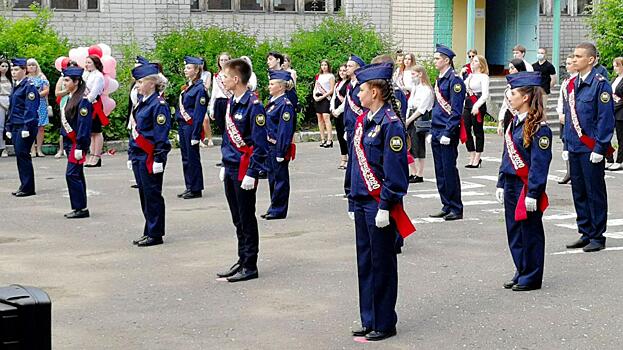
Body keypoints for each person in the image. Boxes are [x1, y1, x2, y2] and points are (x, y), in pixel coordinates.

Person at [349, 62, 415, 341]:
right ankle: (369, 318)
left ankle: (384, 321)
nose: (358, 94)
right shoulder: (365, 120)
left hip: (379, 204)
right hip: (363, 200)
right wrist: (352, 201)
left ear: (375, 92)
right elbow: (355, 163)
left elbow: (396, 173)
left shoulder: (390, 125)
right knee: (365, 262)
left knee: (382, 264)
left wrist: (386, 206)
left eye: (362, 90)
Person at [495, 71, 553, 292]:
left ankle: (532, 275)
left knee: (529, 231)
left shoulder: (540, 128)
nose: (509, 96)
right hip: (511, 182)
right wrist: (501, 182)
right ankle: (521, 269)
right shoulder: (513, 122)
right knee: (514, 230)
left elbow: (540, 164)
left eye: (513, 92)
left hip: (526, 186)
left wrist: (534, 192)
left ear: (526, 97)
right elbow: (506, 155)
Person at [216, 58, 268, 282]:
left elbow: (260, 145)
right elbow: (228, 139)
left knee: (246, 217)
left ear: (236, 79)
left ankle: (250, 264)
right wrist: (224, 163)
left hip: (244, 170)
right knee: (237, 217)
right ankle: (242, 258)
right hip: (231, 167)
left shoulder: (253, 106)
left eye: (226, 76)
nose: (223, 79)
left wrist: (252, 172)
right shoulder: (232, 102)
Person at [563, 42, 615, 253]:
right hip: (575, 147)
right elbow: (569, 117)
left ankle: (597, 235)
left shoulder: (600, 84)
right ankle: (585, 231)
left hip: (591, 148)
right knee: (579, 192)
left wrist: (600, 148)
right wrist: (566, 143)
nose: (573, 60)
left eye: (578, 56)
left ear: (590, 60)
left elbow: (605, 119)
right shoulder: (571, 84)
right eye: (573, 56)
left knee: (594, 192)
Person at [128, 63, 172, 247]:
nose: (137, 85)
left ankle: (155, 233)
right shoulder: (142, 102)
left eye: (140, 82)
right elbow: (135, 131)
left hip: (150, 156)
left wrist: (159, 158)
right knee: (144, 194)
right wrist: (131, 154)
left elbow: (160, 134)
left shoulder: (159, 105)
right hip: (139, 154)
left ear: (152, 83)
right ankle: (149, 229)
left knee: (152, 194)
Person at [429, 44, 465, 221]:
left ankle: (456, 208)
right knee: (440, 171)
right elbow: (437, 107)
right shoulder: (440, 79)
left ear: (446, 60)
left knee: (449, 170)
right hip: (437, 129)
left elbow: (456, 111)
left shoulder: (454, 80)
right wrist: (432, 129)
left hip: (446, 132)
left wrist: (448, 132)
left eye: (437, 58)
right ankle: (446, 204)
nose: (434, 61)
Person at [59, 66, 93, 219]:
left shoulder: (83, 101)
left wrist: (80, 146)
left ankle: (80, 207)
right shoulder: (70, 97)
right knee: (77, 174)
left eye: (67, 80)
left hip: (76, 143)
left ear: (77, 81)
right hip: (69, 142)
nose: (64, 83)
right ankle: (81, 207)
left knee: (71, 174)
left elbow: (83, 126)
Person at [262, 70, 296, 220]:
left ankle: (279, 209)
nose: (269, 86)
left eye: (272, 84)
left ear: (281, 87)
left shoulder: (285, 105)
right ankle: (273, 206)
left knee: (280, 179)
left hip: (277, 146)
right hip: (269, 146)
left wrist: (281, 152)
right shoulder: (273, 102)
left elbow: (284, 131)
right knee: (272, 178)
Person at [5, 58, 40, 197]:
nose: (13, 72)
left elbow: (30, 108)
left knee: (23, 155)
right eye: (12, 69)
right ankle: (24, 185)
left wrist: (27, 126)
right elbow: (12, 108)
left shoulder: (29, 86)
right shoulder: (17, 85)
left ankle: (28, 187)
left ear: (24, 70)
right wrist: (8, 127)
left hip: (25, 126)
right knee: (20, 156)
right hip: (15, 125)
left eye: (16, 69)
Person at [176, 56, 208, 200]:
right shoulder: (189, 86)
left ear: (196, 71)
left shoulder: (200, 89)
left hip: (190, 127)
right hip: (183, 126)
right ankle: (189, 185)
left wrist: (196, 134)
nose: (185, 70)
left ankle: (196, 188)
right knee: (186, 158)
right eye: (185, 67)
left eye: (188, 68)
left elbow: (199, 114)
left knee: (192, 158)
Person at [343, 54, 367, 218]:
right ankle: (349, 189)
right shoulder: (350, 85)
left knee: (357, 161)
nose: (346, 68)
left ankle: (354, 190)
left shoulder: (361, 86)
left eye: (350, 65)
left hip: (358, 129)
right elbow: (348, 109)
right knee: (352, 160)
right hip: (350, 128)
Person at [405, 65, 434, 183]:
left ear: (420, 74)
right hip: (411, 115)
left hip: (419, 117)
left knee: (418, 146)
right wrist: (406, 118)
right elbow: (409, 104)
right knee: (409, 145)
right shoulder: (415, 87)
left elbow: (422, 109)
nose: (412, 77)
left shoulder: (427, 89)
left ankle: (420, 173)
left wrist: (409, 120)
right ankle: (413, 172)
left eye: (413, 74)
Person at [463, 54, 490, 168]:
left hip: (478, 103)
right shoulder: (470, 76)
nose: (472, 62)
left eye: (475, 61)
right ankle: (471, 154)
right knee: (466, 129)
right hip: (468, 103)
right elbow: (462, 87)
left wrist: (477, 106)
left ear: (481, 64)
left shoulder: (483, 77)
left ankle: (478, 156)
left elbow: (485, 95)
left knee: (477, 130)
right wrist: (461, 74)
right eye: (472, 61)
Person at [556, 54, 577, 184]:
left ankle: (574, 172)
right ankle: (569, 171)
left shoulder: (577, 81)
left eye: (570, 63)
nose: (567, 66)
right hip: (565, 116)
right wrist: (560, 113)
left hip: (574, 118)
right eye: (567, 63)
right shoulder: (566, 81)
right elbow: (561, 100)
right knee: (565, 141)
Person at [84, 55, 106, 167]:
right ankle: (92, 154)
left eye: (89, 62)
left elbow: (93, 93)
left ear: (95, 63)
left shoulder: (98, 76)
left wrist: (86, 100)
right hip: (86, 103)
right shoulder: (87, 74)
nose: (86, 65)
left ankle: (97, 156)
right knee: (91, 132)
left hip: (94, 104)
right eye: (86, 62)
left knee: (96, 130)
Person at [498, 59, 528, 135]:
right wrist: (500, 122)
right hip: (509, 115)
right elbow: (505, 104)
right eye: (509, 68)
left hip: (522, 115)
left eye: (512, 68)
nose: (510, 71)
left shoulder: (526, 85)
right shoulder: (510, 84)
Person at [26, 58, 49, 158]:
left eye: (33, 65)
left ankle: (39, 149)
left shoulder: (42, 77)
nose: (31, 67)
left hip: (41, 103)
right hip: (29, 104)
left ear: (36, 66)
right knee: (30, 126)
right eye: (29, 65)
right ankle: (32, 150)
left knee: (41, 127)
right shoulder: (25, 78)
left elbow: (46, 90)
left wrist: (36, 95)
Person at [605, 57, 623, 170]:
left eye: (617, 66)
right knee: (607, 135)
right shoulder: (615, 79)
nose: (615, 68)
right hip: (612, 110)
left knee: (621, 137)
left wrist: (614, 106)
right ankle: (609, 157)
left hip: (620, 111)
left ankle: (620, 160)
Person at [209, 52, 232, 135]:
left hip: (229, 101)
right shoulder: (216, 76)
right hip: (219, 102)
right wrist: (211, 108)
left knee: (230, 126)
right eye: (221, 60)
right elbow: (214, 93)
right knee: (221, 126)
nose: (223, 62)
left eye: (226, 60)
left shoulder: (233, 74)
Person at [330, 64, 349, 169]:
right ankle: (343, 157)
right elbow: (333, 97)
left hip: (343, 112)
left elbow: (347, 100)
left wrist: (338, 111)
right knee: (340, 135)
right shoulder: (337, 84)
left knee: (345, 135)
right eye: (340, 70)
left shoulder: (349, 84)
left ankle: (348, 158)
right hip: (336, 113)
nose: (342, 72)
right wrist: (332, 109)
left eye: (344, 70)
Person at [313, 59, 335, 147]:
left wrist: (323, 96)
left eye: (325, 65)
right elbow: (315, 87)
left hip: (326, 97)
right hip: (318, 97)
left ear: (328, 66)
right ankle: (322, 139)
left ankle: (330, 139)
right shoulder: (318, 76)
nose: (324, 67)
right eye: (322, 65)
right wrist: (314, 96)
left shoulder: (331, 76)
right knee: (319, 118)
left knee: (326, 117)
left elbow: (332, 90)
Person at [200, 60, 214, 147]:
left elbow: (207, 86)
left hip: (204, 97)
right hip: (194, 98)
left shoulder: (207, 74)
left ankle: (209, 138)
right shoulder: (193, 73)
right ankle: (199, 139)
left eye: (202, 63)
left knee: (205, 119)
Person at [0, 58, 12, 158]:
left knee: (9, 126)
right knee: (0, 126)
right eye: (2, 66)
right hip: (0, 102)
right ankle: (2, 148)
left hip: (10, 101)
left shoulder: (10, 78)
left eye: (6, 66)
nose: (4, 68)